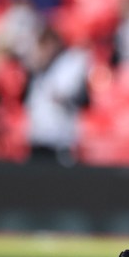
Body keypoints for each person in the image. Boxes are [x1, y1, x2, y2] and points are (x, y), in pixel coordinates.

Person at [23, 26, 90, 167]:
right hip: (39, 137)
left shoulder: (71, 62)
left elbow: (63, 93)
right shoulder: (37, 73)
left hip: (61, 139)